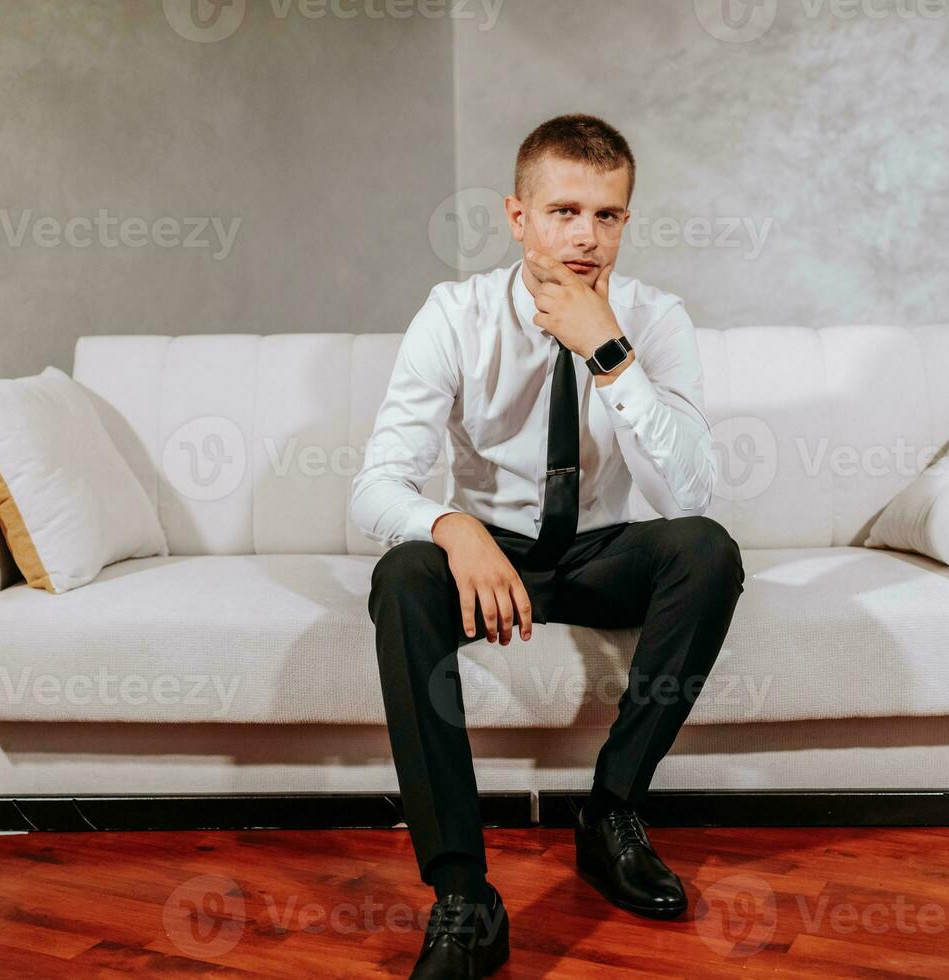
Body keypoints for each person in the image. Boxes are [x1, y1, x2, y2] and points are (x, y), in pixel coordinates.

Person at [350, 113, 746, 980]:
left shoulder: (656, 319)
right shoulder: (455, 317)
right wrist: (454, 528)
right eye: (564, 210)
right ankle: (464, 896)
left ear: (625, 223)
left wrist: (609, 353)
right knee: (403, 574)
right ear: (517, 216)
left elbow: (689, 498)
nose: (586, 236)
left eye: (607, 215)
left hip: (601, 555)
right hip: (490, 557)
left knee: (708, 551)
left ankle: (610, 814)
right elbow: (375, 486)